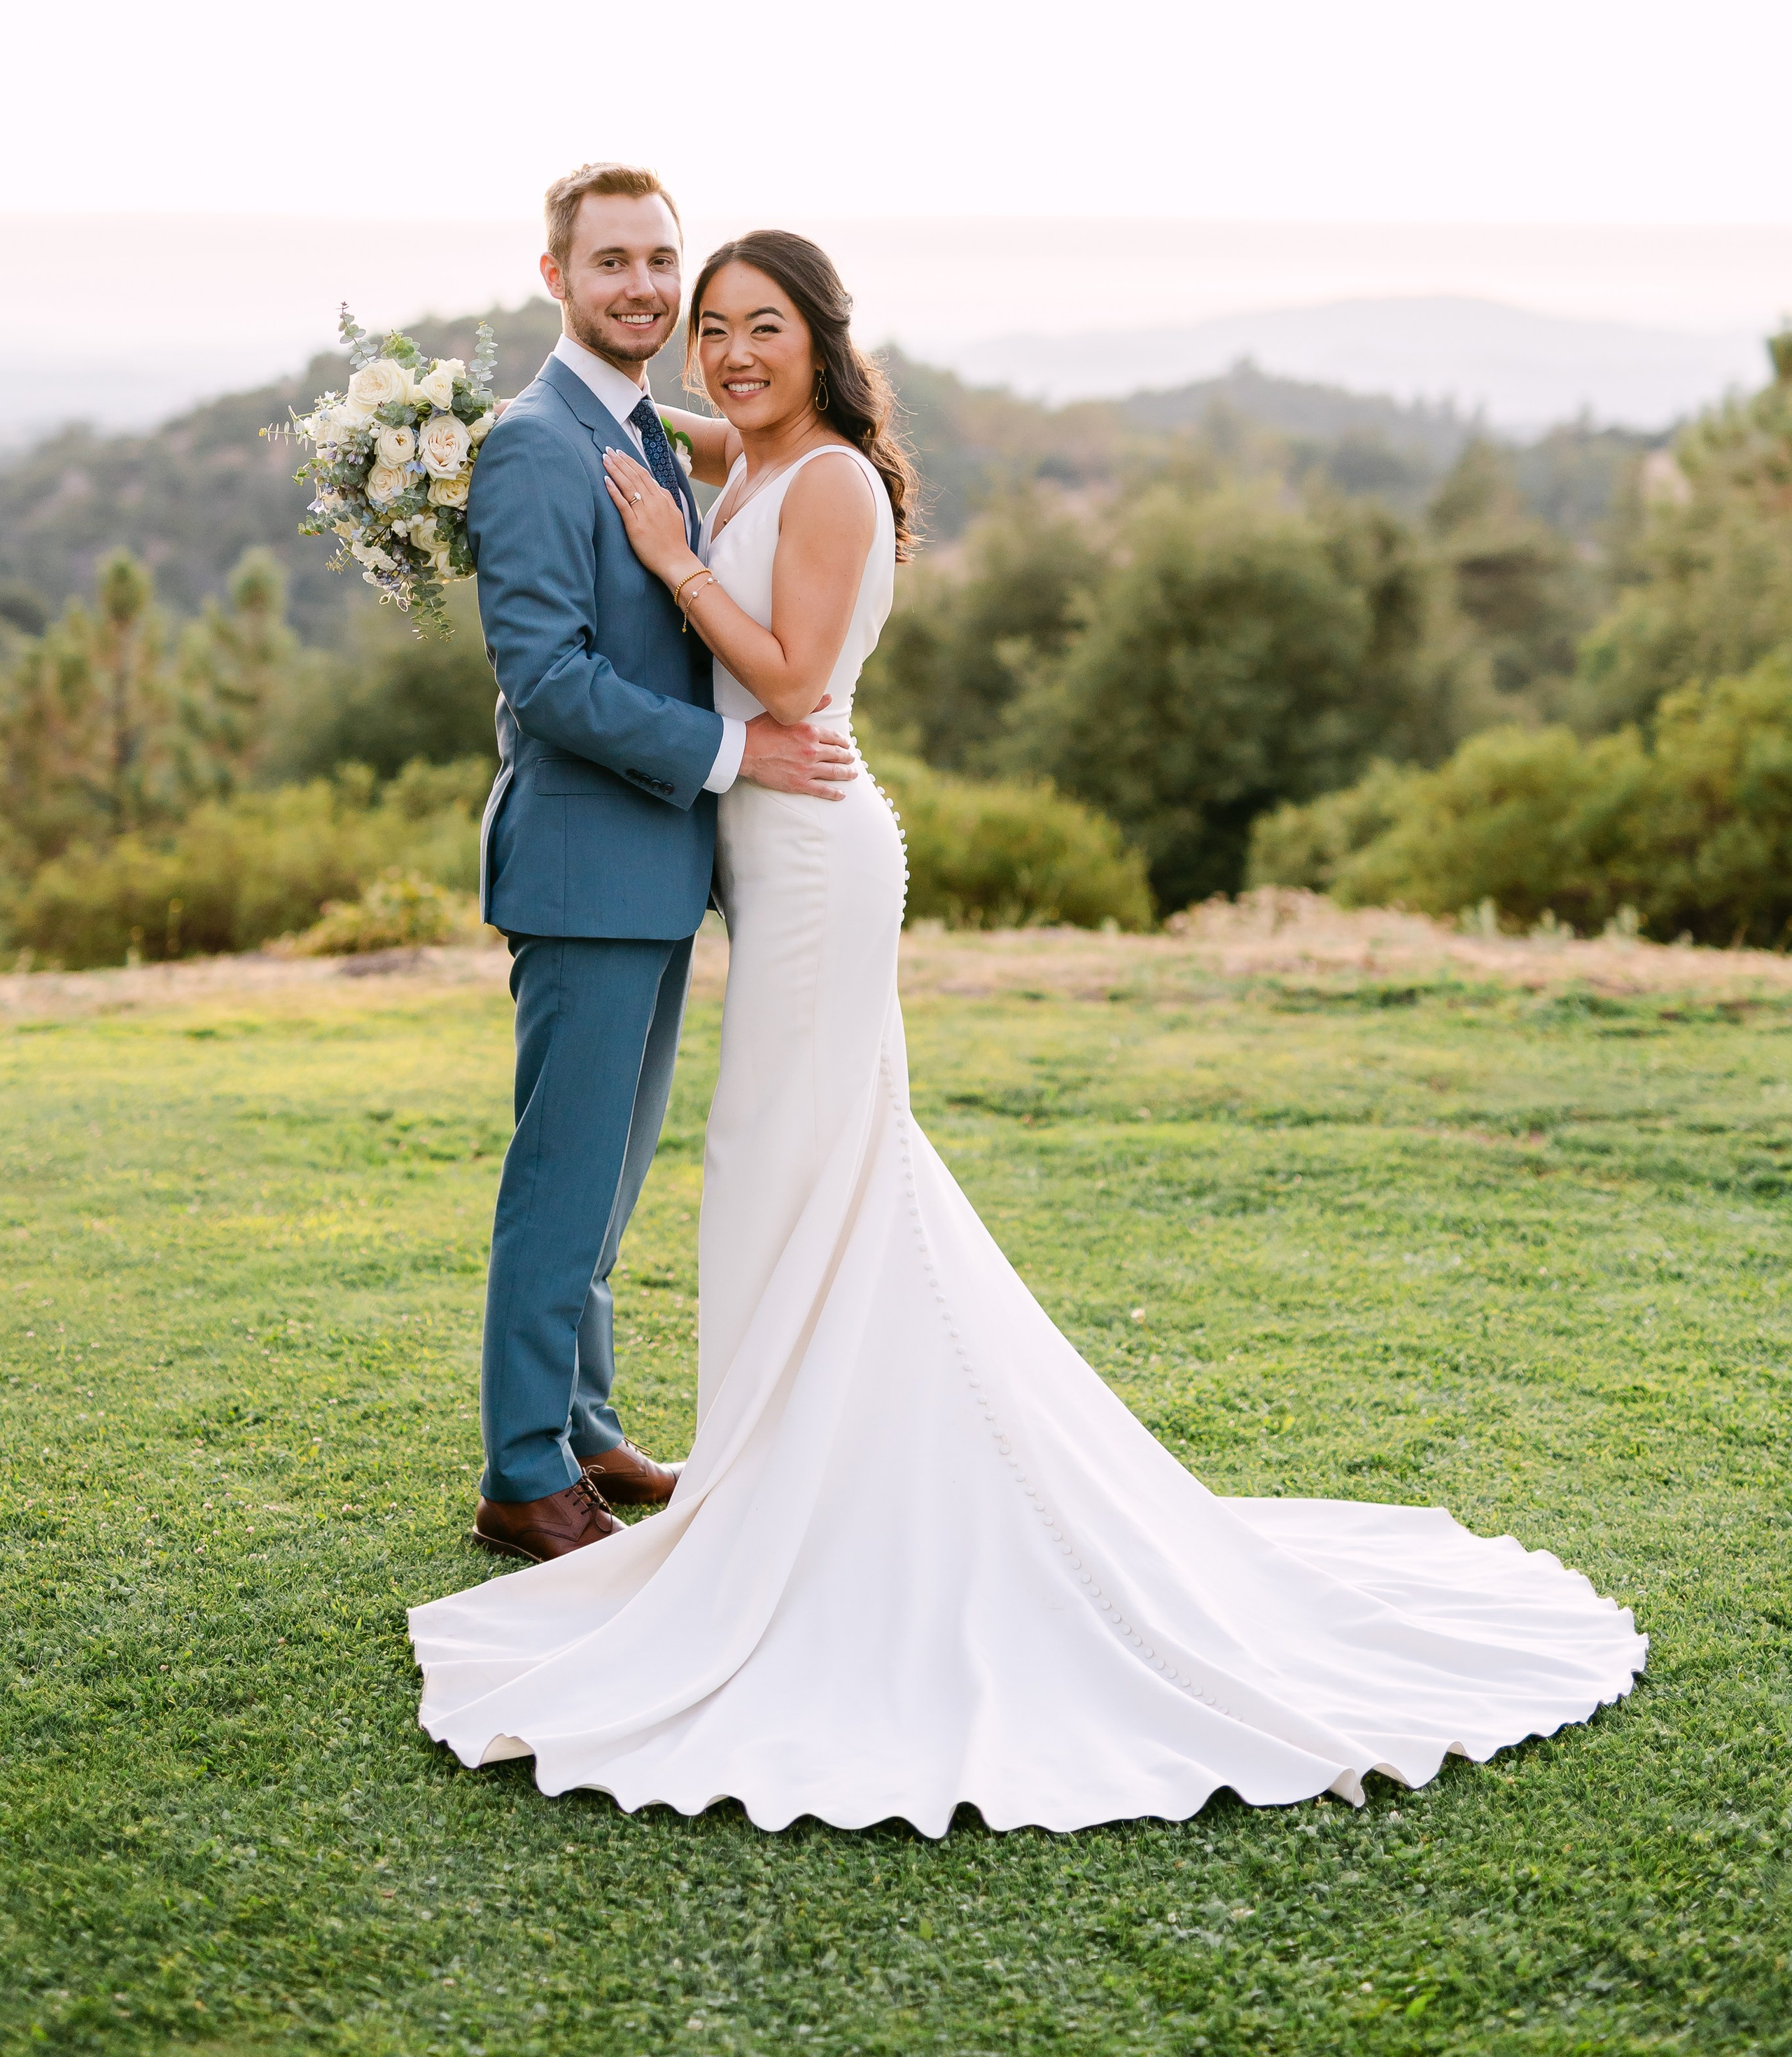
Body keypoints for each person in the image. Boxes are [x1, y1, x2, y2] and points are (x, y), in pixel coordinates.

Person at [413, 230, 1644, 1834]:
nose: (723, 351)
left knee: (793, 1157)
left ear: (821, 339)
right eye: (703, 324)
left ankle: (799, 1491)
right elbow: (635, 434)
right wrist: (579, 440)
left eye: (756, 326)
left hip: (808, 845)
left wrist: (671, 558)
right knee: (791, 1162)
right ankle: (768, 1469)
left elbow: (783, 676)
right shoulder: (733, 448)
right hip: (759, 856)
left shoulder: (834, 479)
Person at [462, 168, 854, 1565]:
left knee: (610, 1178)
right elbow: (550, 681)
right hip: (582, 865)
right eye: (610, 259)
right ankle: (522, 1474)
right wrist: (731, 757)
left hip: (647, 868)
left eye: (657, 262)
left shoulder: (633, 426)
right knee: (562, 1176)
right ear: (555, 274)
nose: (638, 285)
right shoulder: (529, 445)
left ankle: (581, 1423)